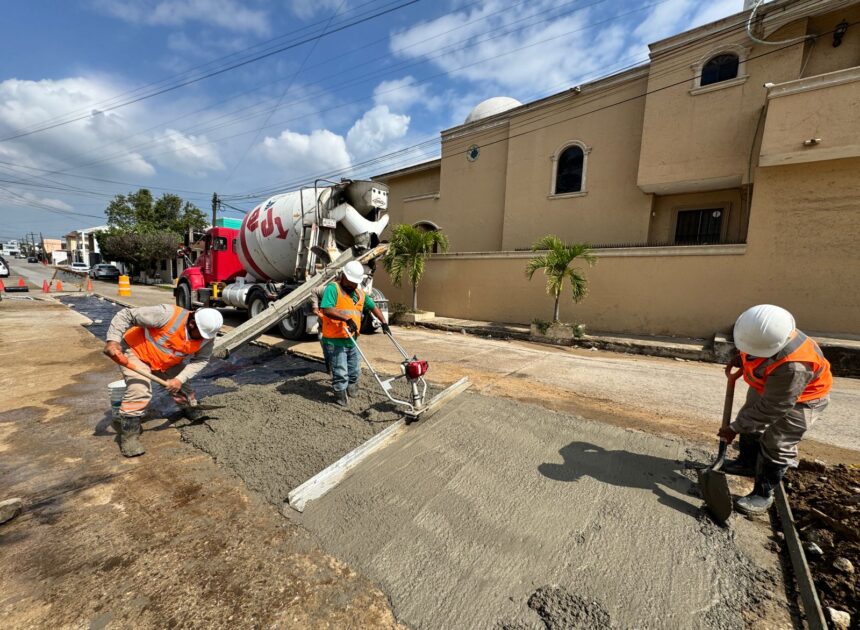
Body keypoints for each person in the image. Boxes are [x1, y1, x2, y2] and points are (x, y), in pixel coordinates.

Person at [719, 304, 832, 515]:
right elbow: (755, 348)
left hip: (802, 400)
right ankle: (747, 463)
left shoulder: (794, 365)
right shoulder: (759, 331)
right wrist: (744, 357)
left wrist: (734, 428)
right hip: (766, 386)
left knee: (778, 442)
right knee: (749, 417)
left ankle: (763, 494)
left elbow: (774, 406)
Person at [103, 305, 223, 457]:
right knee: (139, 390)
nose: (205, 339)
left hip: (166, 362)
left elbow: (201, 359)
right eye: (202, 335)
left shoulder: (207, 336)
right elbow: (126, 315)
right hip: (136, 353)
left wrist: (179, 379)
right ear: (192, 323)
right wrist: (113, 340)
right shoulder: (167, 315)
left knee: (183, 387)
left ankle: (189, 407)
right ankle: (129, 437)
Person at [319, 261, 390, 407]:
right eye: (351, 282)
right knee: (341, 371)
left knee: (355, 369)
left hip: (352, 339)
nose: (353, 285)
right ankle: (340, 396)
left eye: (355, 283)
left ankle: (352, 390)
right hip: (335, 340)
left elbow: (372, 306)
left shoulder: (359, 293)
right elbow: (327, 310)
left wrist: (383, 321)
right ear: (344, 276)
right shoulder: (333, 289)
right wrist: (347, 319)